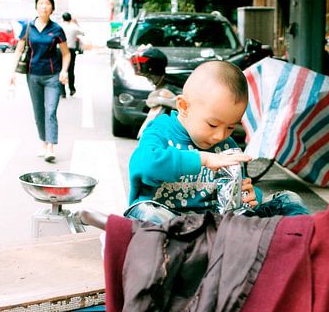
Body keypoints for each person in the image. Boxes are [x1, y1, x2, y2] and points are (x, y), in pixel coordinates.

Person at [125, 60, 308, 224]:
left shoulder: (227, 147)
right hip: (169, 224)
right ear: (184, 106)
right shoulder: (160, 131)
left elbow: (238, 196)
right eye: (212, 124)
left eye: (230, 127)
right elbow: (145, 164)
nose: (220, 136)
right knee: (145, 212)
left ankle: (300, 242)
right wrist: (203, 159)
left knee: (288, 200)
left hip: (214, 226)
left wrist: (252, 196)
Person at [10, 0, 70, 163]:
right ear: (36, 6)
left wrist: (64, 71)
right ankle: (43, 142)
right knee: (39, 112)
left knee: (50, 111)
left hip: (52, 76)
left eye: (47, 3)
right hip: (33, 75)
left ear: (52, 8)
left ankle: (51, 146)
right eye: (41, 3)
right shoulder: (28, 28)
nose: (44, 6)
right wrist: (12, 73)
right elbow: (19, 50)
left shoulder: (57, 29)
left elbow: (66, 54)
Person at [61, 12, 83, 97]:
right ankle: (72, 89)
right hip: (71, 50)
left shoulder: (59, 27)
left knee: (61, 70)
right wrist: (76, 23)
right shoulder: (74, 27)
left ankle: (62, 92)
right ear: (70, 19)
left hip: (60, 50)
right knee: (70, 70)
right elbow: (83, 33)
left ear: (63, 19)